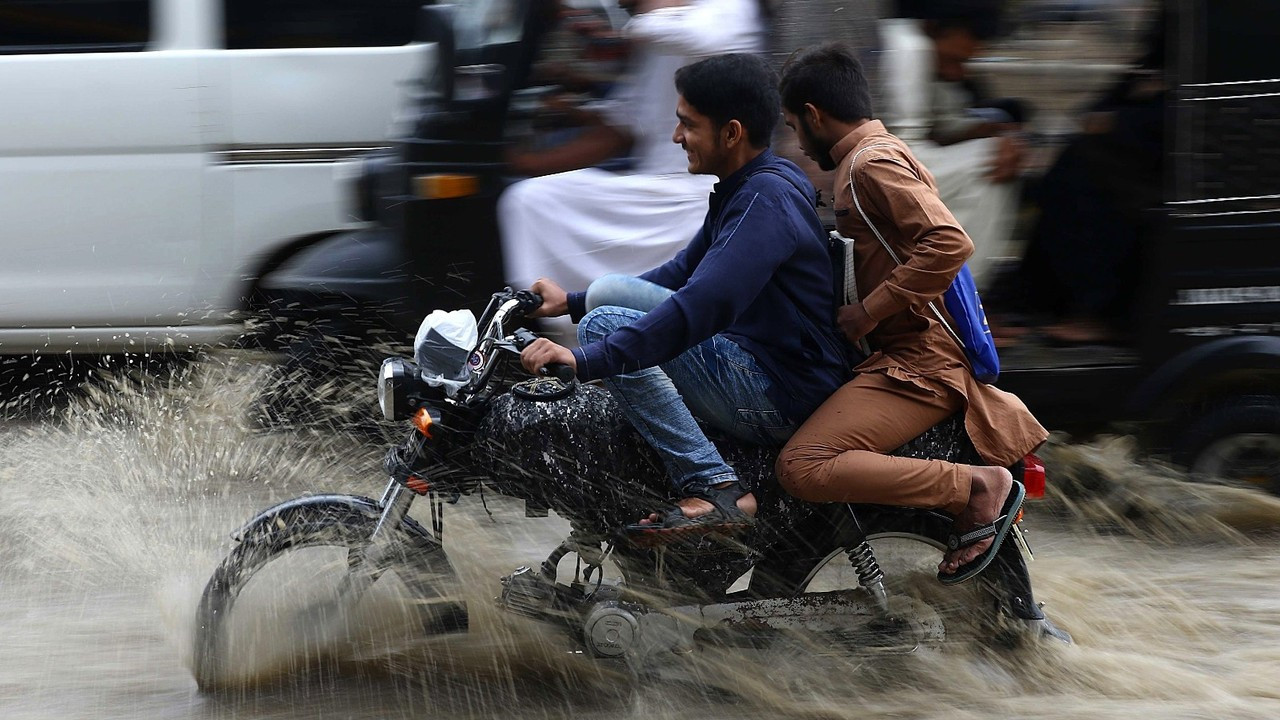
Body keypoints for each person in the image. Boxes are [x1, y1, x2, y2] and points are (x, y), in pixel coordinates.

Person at [519, 53, 849, 544]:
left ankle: (715, 486)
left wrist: (585, 359)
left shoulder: (764, 202)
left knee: (604, 327)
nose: (676, 138)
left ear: (732, 132)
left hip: (780, 394)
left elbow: (704, 305)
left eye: (687, 125)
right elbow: (683, 272)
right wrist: (570, 300)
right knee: (604, 299)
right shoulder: (752, 183)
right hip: (760, 362)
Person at [775, 43, 1048, 584]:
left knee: (802, 465)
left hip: (918, 361)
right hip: (907, 354)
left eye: (795, 127)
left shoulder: (870, 163)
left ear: (814, 116)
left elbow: (948, 243)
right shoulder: (875, 154)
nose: (801, 147)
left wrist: (868, 313)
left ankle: (975, 487)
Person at [499, 0, 767, 307]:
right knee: (528, 200)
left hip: (706, 196)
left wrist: (637, 19)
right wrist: (524, 162)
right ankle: (552, 323)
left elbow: (699, 34)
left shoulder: (729, 10)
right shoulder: (655, 32)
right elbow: (621, 127)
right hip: (651, 196)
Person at [877, 0, 1025, 289]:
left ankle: (954, 292)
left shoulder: (920, 44)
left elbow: (939, 125)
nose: (959, 73)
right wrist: (992, 148)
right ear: (933, 28)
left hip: (890, 169)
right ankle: (962, 301)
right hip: (876, 176)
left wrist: (987, 130)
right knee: (993, 165)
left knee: (996, 156)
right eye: (954, 61)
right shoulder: (909, 47)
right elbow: (903, 151)